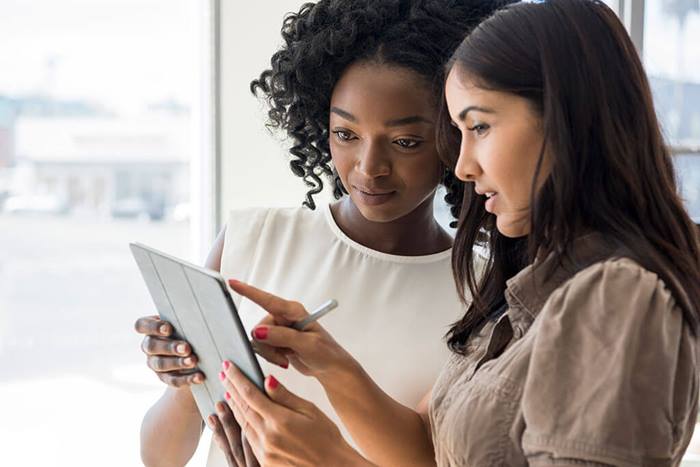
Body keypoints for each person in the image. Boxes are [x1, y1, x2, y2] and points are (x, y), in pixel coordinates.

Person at [213, 0, 700, 465]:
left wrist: (329, 459)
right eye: (458, 134)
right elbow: (428, 449)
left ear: (566, 122)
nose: (462, 166)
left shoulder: (616, 296)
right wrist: (327, 361)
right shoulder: (530, 284)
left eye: (480, 127)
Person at [133, 1, 511, 466]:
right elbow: (159, 457)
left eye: (405, 142)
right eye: (346, 134)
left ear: (454, 137)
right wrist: (186, 384)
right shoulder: (254, 239)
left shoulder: (486, 292)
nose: (369, 168)